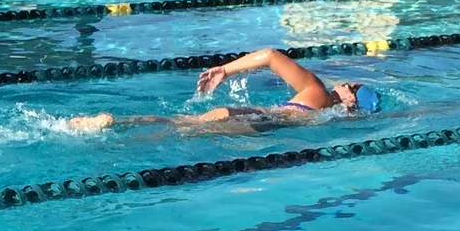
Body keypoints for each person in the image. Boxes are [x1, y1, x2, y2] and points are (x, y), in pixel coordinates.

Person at [66, 48, 383, 133]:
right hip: (254, 127)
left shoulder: (317, 91)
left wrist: (225, 70)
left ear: (350, 98)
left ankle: (117, 122)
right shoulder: (328, 118)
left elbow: (271, 55)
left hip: (246, 116)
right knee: (176, 130)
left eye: (351, 86)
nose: (345, 83)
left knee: (175, 123)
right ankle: (117, 126)